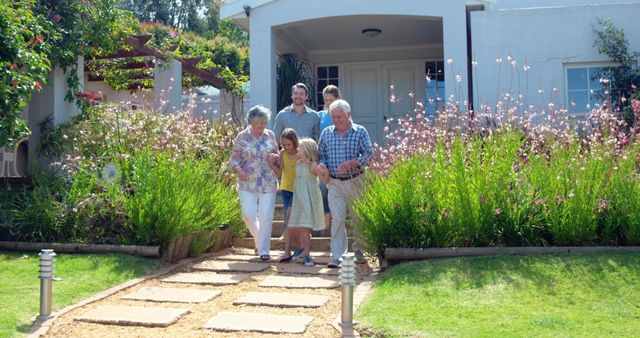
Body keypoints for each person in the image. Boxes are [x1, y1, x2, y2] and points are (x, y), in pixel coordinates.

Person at [317, 99, 373, 268]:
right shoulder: (326, 133)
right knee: (338, 219)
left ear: (348, 115)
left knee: (358, 218)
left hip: (356, 180)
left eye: (339, 117)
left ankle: (360, 251)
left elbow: (369, 153)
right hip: (334, 182)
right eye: (333, 117)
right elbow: (322, 154)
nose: (336, 120)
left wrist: (354, 163)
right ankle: (338, 255)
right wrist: (323, 165)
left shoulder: (360, 131)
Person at [229, 105, 280, 261]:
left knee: (265, 215)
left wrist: (275, 159)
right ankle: (259, 240)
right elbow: (234, 159)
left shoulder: (270, 135)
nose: (262, 126)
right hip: (247, 182)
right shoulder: (242, 137)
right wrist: (239, 169)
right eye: (259, 123)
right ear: (251, 122)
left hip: (268, 181)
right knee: (248, 215)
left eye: (264, 123)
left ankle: (264, 250)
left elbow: (278, 156)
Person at [287, 138, 326, 266]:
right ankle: (303, 251)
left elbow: (322, 179)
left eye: (300, 147)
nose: (297, 149)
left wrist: (321, 171)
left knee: (305, 226)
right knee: (301, 225)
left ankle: (307, 254)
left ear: (307, 151)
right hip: (299, 198)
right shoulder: (298, 164)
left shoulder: (312, 165)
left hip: (309, 198)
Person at [272, 128, 304, 262]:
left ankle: (298, 247)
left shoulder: (300, 153)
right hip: (286, 190)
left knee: (295, 219)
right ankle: (289, 249)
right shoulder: (283, 154)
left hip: (299, 190)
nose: (286, 147)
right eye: (284, 145)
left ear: (295, 142)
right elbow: (280, 173)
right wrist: (272, 164)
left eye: (289, 144)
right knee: (288, 218)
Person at [317, 85, 341, 226]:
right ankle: (327, 213)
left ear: (338, 99)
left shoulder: (342, 116)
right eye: (325, 100)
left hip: (339, 159)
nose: (328, 103)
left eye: (331, 100)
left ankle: (336, 215)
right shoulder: (320, 115)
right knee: (323, 188)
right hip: (324, 158)